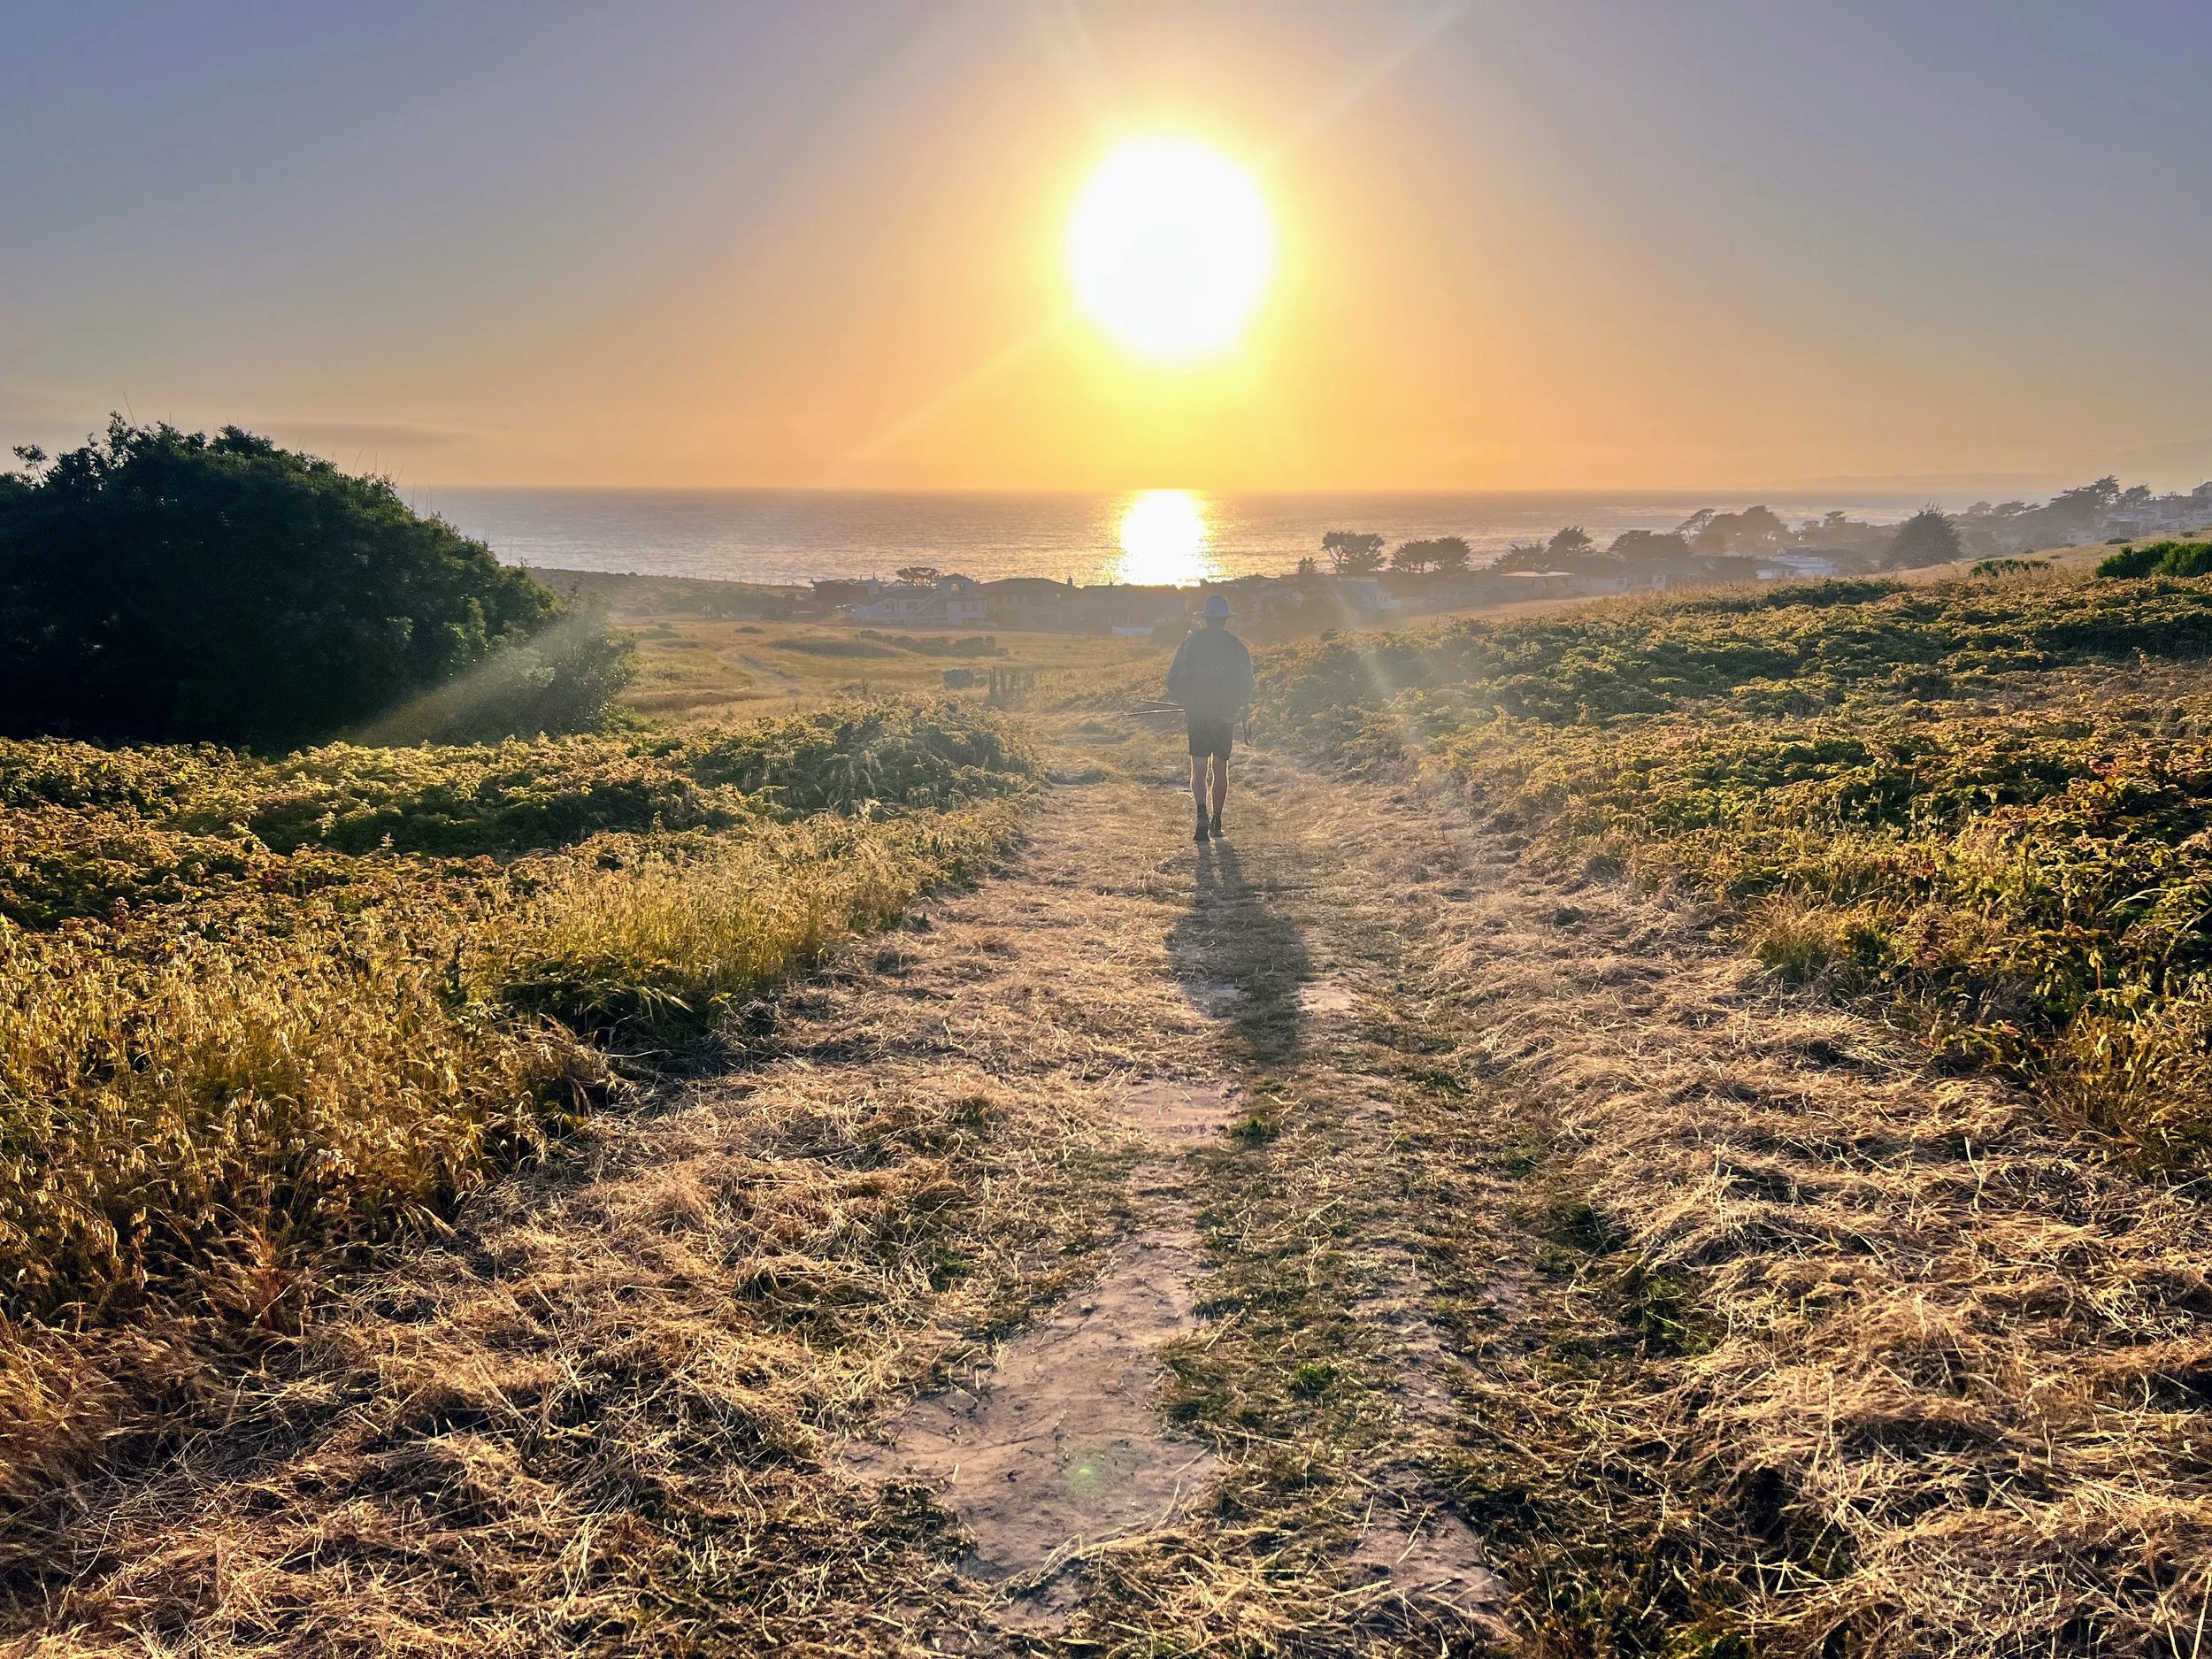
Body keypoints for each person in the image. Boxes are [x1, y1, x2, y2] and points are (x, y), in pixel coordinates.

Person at [1164, 593, 1256, 843]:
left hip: (1198, 713)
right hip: (1226, 714)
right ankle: (1217, 822)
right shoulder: (1236, 646)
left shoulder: (1190, 645)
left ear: (1204, 619)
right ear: (1225, 620)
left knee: (1199, 768)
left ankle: (1200, 815)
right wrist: (1239, 702)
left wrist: (1186, 702)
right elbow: (1247, 682)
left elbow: (1172, 680)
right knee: (1220, 768)